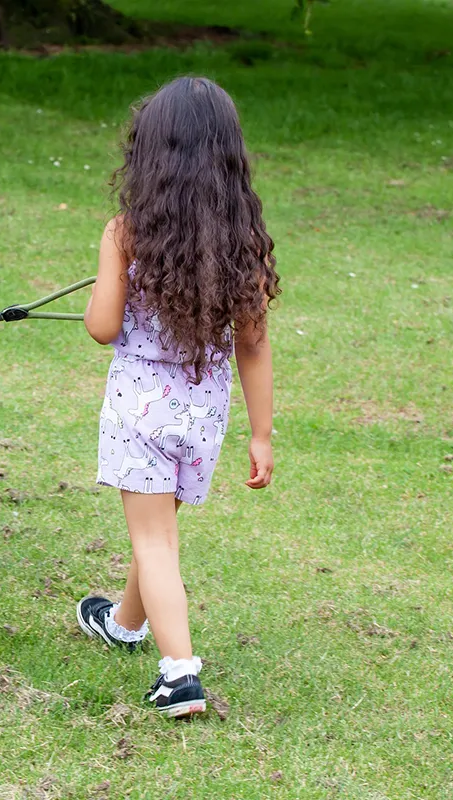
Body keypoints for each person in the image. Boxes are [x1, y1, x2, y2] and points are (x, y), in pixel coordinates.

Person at [75, 76, 280, 719]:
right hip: (203, 409)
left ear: (150, 154)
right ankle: (125, 623)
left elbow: (103, 327)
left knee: (156, 540)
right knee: (157, 529)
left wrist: (108, 275)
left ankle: (179, 674)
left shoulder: (126, 232)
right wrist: (262, 433)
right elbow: (253, 344)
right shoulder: (241, 242)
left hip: (141, 409)